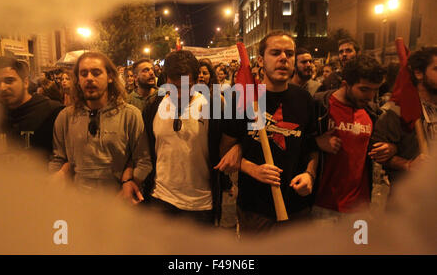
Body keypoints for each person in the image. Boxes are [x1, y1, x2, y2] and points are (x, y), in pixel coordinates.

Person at [221, 30, 319, 234]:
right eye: (275, 53)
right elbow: (224, 152)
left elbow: (311, 148)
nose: (284, 58)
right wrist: (251, 168)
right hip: (255, 209)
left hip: (297, 208)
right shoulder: (242, 100)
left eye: (289, 54)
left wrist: (309, 175)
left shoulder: (305, 99)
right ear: (260, 61)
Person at [141, 50, 236, 226]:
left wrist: (237, 149)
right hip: (160, 199)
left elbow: (229, 143)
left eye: (186, 87)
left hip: (200, 205)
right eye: (174, 87)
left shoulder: (213, 107)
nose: (179, 94)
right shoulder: (152, 108)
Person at [48, 52, 152, 199]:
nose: (89, 78)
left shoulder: (130, 115)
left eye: (96, 73)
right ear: (77, 79)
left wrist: (131, 183)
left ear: (110, 77)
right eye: (84, 74)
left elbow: (143, 160)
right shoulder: (65, 117)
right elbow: (58, 158)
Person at [312, 55, 386, 220]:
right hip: (322, 208)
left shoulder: (372, 112)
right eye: (364, 89)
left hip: (361, 209)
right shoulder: (319, 105)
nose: (370, 97)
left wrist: (388, 149)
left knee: (360, 246)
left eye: (375, 89)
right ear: (345, 84)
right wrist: (316, 142)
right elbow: (293, 143)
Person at [370, 47, 437, 193]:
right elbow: (377, 153)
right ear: (419, 73)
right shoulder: (396, 111)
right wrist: (408, 164)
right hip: (408, 200)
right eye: (436, 69)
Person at [0, 56, 64, 160]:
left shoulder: (52, 111)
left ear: (25, 82)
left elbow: (68, 158)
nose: (2, 88)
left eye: (9, 81)